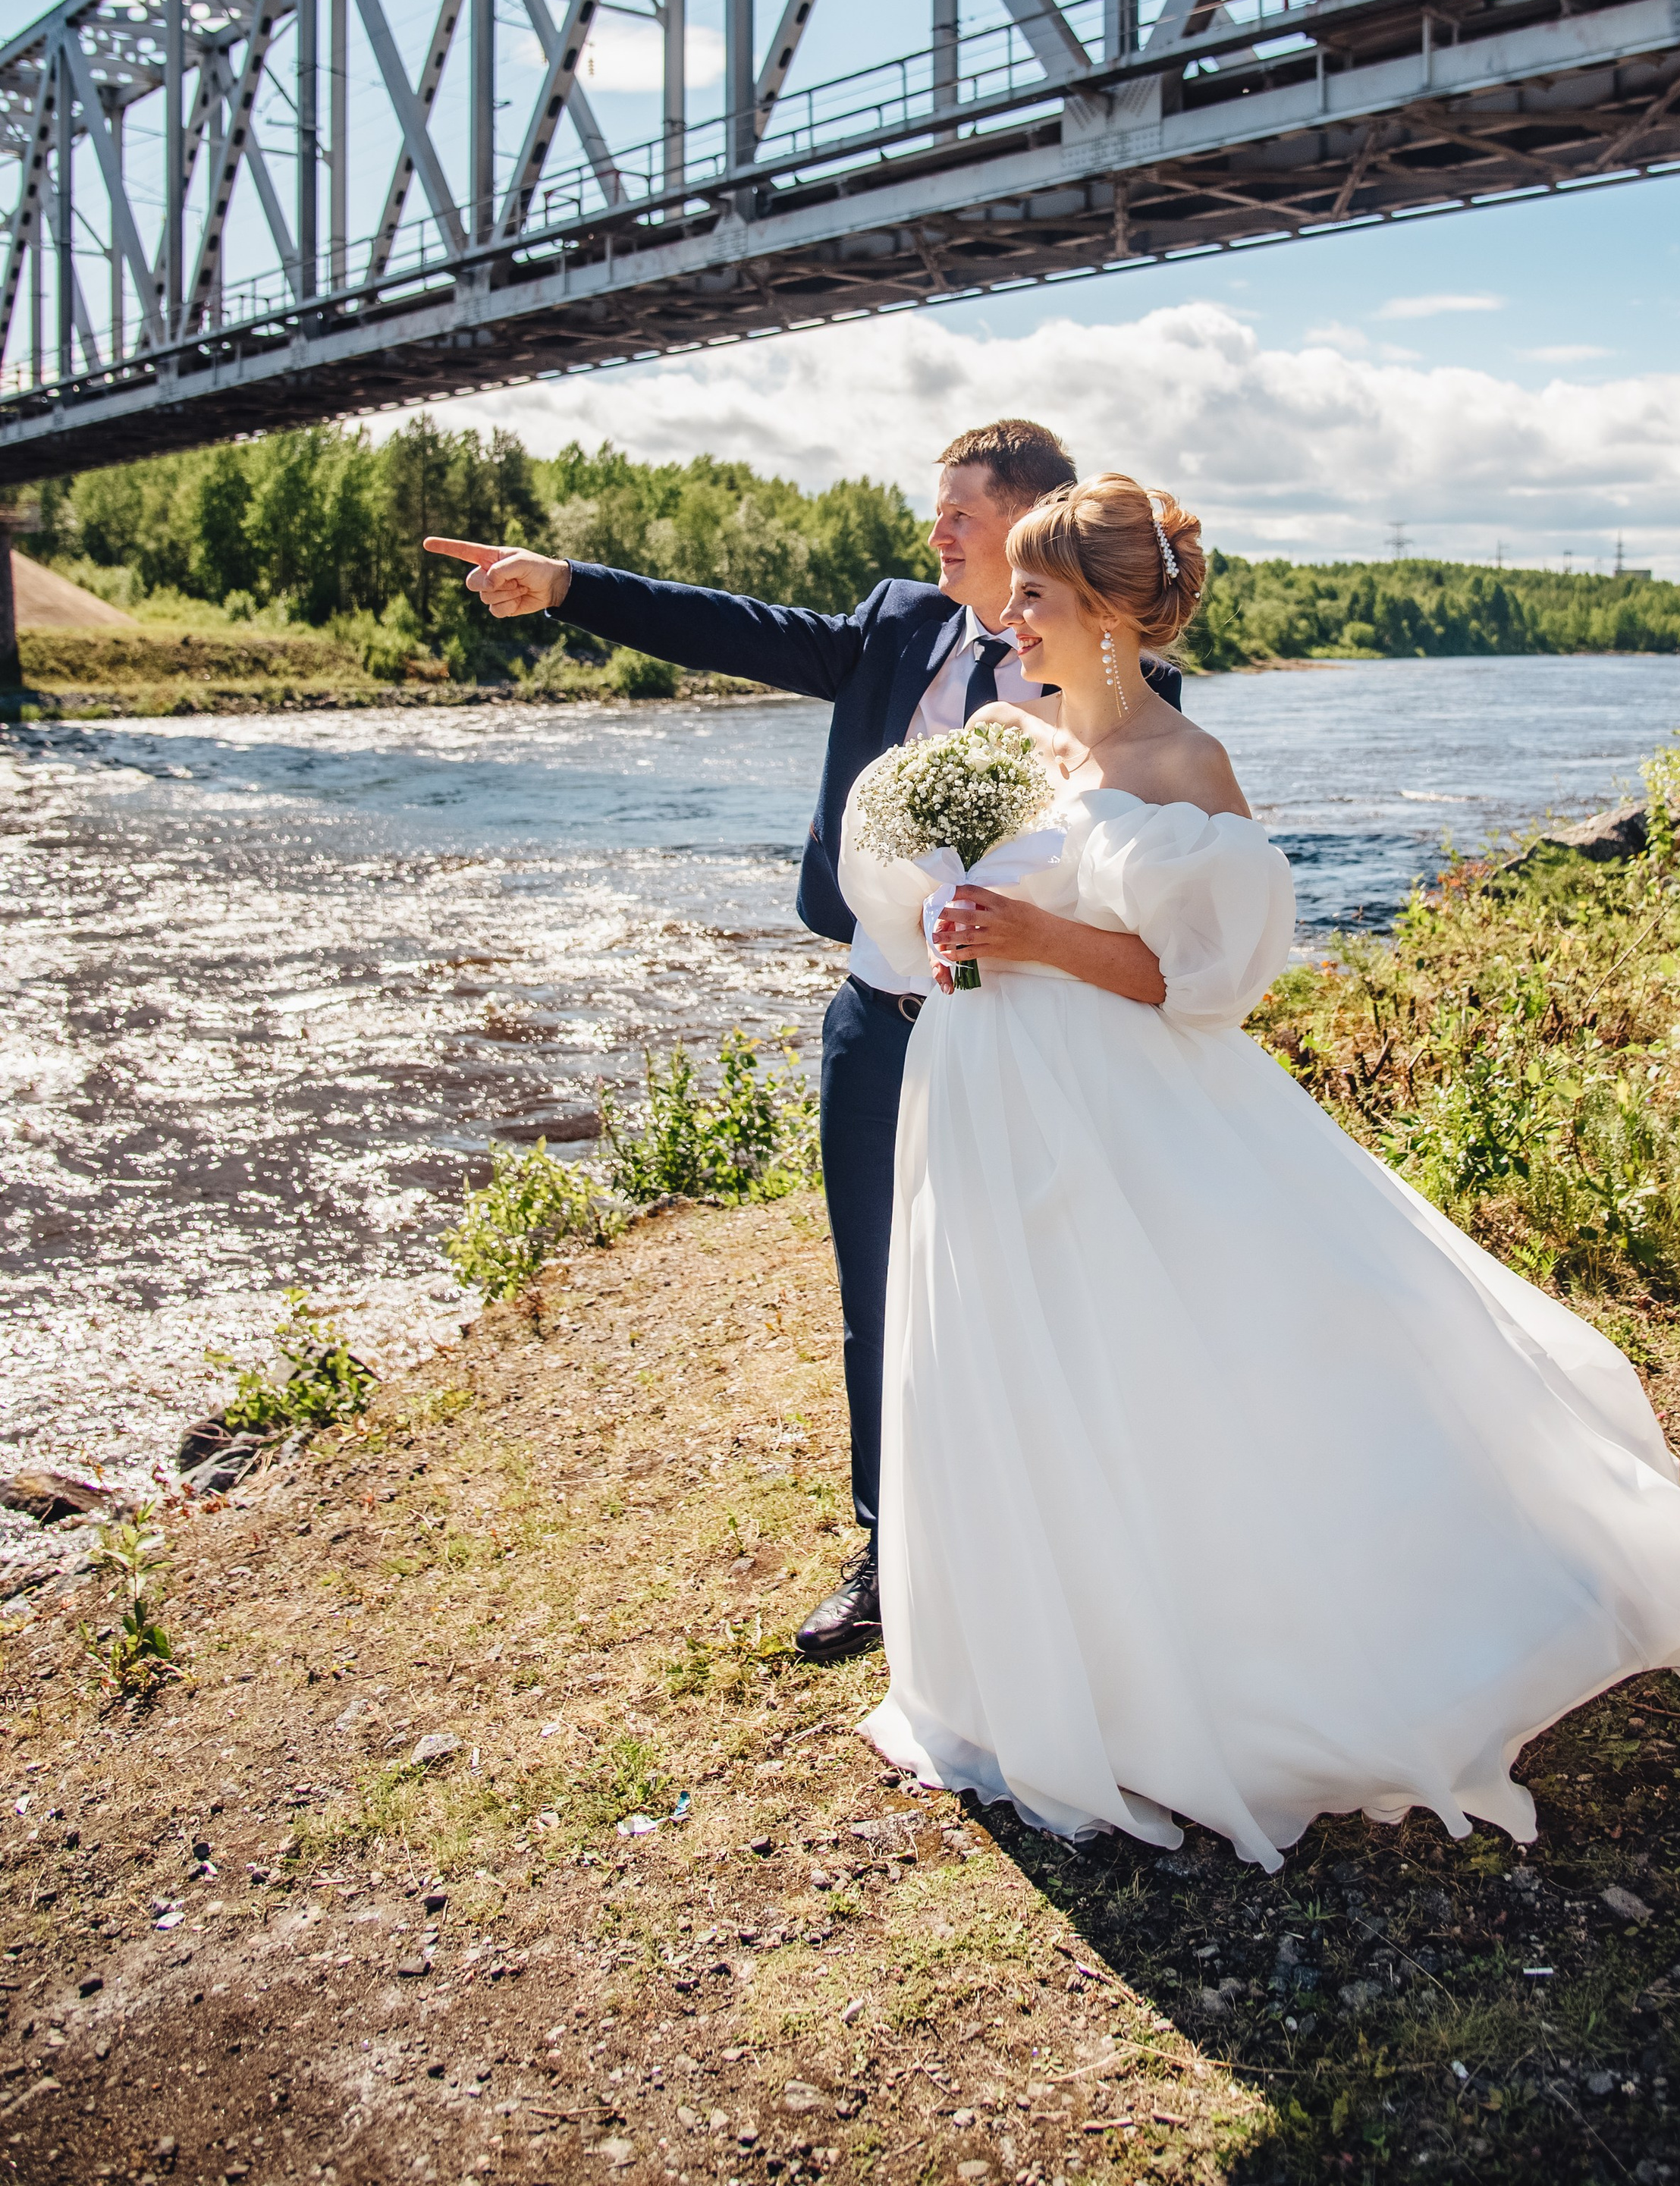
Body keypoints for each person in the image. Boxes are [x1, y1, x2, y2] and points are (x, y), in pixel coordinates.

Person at [838, 473, 1680, 1867]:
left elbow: (1201, 981)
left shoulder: (1186, 769)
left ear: (1111, 614)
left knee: (1173, 1360)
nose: (1011, 617)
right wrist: (935, 908)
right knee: (1011, 1352)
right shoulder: (1004, 737)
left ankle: (1226, 1662)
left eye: (1038, 598)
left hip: (1127, 1103)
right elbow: (924, 881)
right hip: (985, 1090)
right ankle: (1025, 1661)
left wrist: (1039, 940)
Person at [424, 420, 1183, 1662]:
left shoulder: (1121, 699)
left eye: (961, 514)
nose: (934, 532)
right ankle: (890, 1553)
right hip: (873, 1030)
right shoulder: (900, 623)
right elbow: (742, 628)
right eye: (935, 511)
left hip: (1027, 1040)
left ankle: (1043, 1538)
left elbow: (1146, 902)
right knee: (877, 1291)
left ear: (1036, 521)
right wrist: (566, 584)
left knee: (1028, 1290)